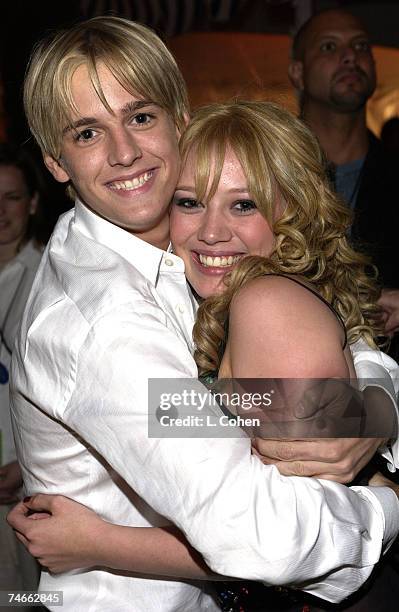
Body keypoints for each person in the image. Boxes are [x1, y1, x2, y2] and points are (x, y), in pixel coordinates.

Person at [7, 16, 399, 611]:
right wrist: (390, 501)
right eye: (87, 133)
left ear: (179, 123)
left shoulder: (191, 257)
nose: (124, 152)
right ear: (55, 163)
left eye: (139, 117)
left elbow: (245, 401)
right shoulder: (107, 326)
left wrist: (372, 413)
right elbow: (259, 532)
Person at [288, 8, 399, 298]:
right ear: (298, 73)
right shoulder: (268, 171)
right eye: (329, 46)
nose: (351, 56)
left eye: (361, 45)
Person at [0, 143, 46, 599]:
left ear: (32, 202)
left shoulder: (52, 272)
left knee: (24, 598)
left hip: (22, 485)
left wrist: (24, 463)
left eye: (11, 196)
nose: (0, 210)